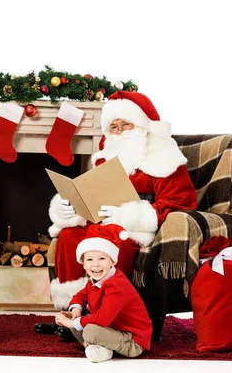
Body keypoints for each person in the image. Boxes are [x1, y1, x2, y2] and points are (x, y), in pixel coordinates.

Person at [37, 90, 197, 336]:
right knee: (70, 237)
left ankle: (104, 317)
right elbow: (93, 199)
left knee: (107, 245)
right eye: (114, 126)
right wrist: (69, 209)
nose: (120, 131)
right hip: (100, 224)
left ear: (142, 126)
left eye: (126, 124)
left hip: (135, 231)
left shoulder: (163, 158)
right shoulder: (106, 158)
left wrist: (129, 215)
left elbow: (180, 201)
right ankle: (73, 314)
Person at [54, 224, 152, 363]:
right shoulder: (94, 280)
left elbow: (103, 319)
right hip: (112, 329)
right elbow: (80, 296)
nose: (95, 265)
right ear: (83, 263)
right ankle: (97, 347)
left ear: (112, 261)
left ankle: (94, 345)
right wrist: (75, 310)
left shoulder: (117, 284)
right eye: (89, 260)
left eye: (102, 259)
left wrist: (71, 323)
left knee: (88, 330)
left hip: (133, 340)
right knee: (80, 323)